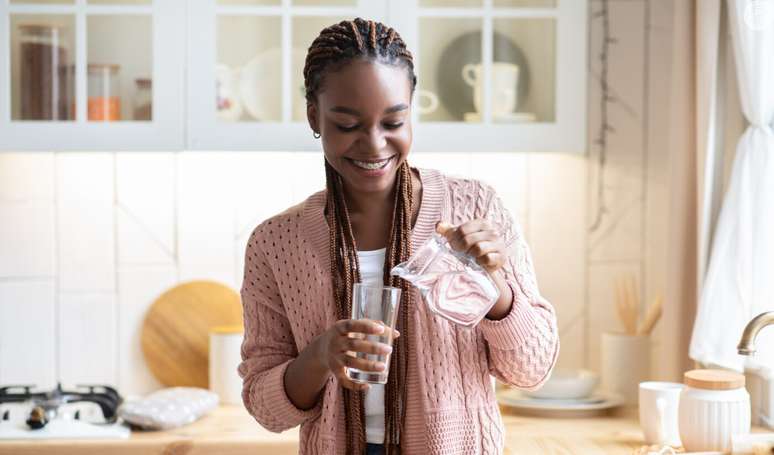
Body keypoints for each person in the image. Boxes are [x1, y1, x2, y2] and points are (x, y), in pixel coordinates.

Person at [238, 17, 559, 455]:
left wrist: (496, 290)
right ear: (315, 116)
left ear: (412, 112)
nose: (374, 144)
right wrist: (320, 356)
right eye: (348, 125)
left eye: (393, 121)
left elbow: (531, 369)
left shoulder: (475, 207)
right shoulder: (276, 243)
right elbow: (264, 407)